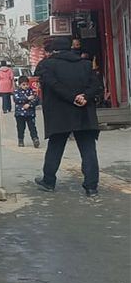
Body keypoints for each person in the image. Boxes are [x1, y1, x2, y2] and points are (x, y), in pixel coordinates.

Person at [34, 37, 103, 197]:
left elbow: (54, 85)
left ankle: (49, 181)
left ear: (54, 50)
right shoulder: (86, 64)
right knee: (88, 149)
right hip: (84, 112)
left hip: (60, 115)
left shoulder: (47, 65)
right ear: (71, 47)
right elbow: (96, 85)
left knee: (55, 148)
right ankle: (91, 186)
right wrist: (84, 97)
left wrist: (72, 98)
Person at [13, 76, 40, 148]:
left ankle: (35, 139)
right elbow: (16, 99)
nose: (25, 86)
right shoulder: (16, 92)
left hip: (30, 113)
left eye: (27, 84)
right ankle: (20, 140)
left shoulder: (31, 91)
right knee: (20, 128)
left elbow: (36, 99)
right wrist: (27, 98)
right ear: (19, 85)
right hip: (19, 114)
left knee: (32, 127)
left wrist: (29, 104)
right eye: (23, 85)